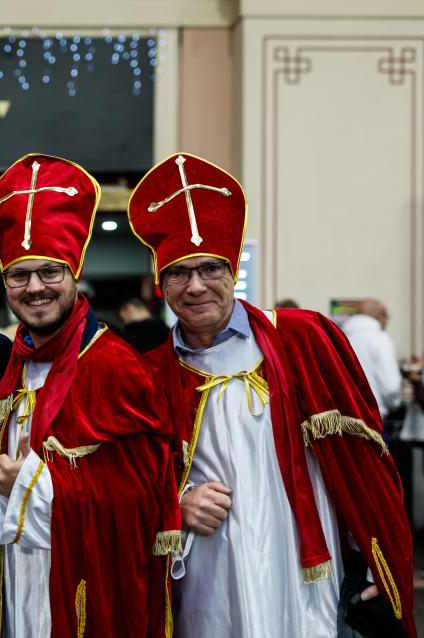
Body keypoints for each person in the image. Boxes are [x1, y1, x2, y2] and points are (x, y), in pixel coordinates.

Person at [128, 152, 416, 637]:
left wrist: (378, 564)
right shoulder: (148, 374)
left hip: (304, 575)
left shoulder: (302, 339)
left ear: (232, 270)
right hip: (208, 577)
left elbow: (364, 463)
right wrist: (177, 504)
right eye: (178, 272)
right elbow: (127, 484)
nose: (195, 286)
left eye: (210, 269)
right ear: (161, 285)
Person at [0, 154, 180, 637]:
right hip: (19, 577)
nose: (34, 288)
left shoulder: (113, 364)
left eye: (50, 273)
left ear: (73, 274)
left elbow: (142, 503)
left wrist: (28, 486)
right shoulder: (13, 364)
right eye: (19, 276)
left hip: (91, 590)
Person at [342, 298, 402, 421]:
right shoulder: (379, 338)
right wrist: (394, 403)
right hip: (372, 415)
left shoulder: (341, 337)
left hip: (344, 415)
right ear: (380, 316)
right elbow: (390, 386)